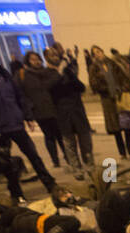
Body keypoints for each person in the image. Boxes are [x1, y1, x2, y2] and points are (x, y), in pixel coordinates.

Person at [0, 40, 57, 197]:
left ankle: (50, 185)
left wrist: (26, 116)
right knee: (6, 162)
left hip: (14, 122)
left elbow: (17, 94)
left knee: (34, 155)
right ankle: (16, 194)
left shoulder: (1, 72)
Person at [42, 44, 92, 181]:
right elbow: (48, 87)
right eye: (52, 55)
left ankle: (90, 167)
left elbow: (81, 87)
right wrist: (59, 73)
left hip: (77, 112)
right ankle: (77, 170)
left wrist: (71, 73)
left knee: (86, 142)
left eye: (56, 55)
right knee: (70, 145)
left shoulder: (67, 71)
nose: (55, 57)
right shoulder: (46, 74)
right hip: (62, 115)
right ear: (46, 58)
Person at [17, 51, 65, 169]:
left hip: (54, 108)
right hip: (39, 111)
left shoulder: (47, 72)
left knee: (60, 134)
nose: (36, 61)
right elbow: (21, 94)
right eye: (33, 59)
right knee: (49, 136)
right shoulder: (24, 75)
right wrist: (28, 111)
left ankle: (68, 157)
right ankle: (55, 160)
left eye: (38, 58)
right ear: (28, 61)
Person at [88, 45, 130, 158]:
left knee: (126, 125)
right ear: (94, 56)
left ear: (103, 52)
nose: (98, 54)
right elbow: (94, 84)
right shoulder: (94, 68)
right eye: (95, 53)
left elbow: (124, 78)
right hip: (108, 100)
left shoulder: (112, 64)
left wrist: (124, 88)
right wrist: (105, 89)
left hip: (120, 97)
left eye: (99, 51)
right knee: (116, 129)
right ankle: (122, 153)